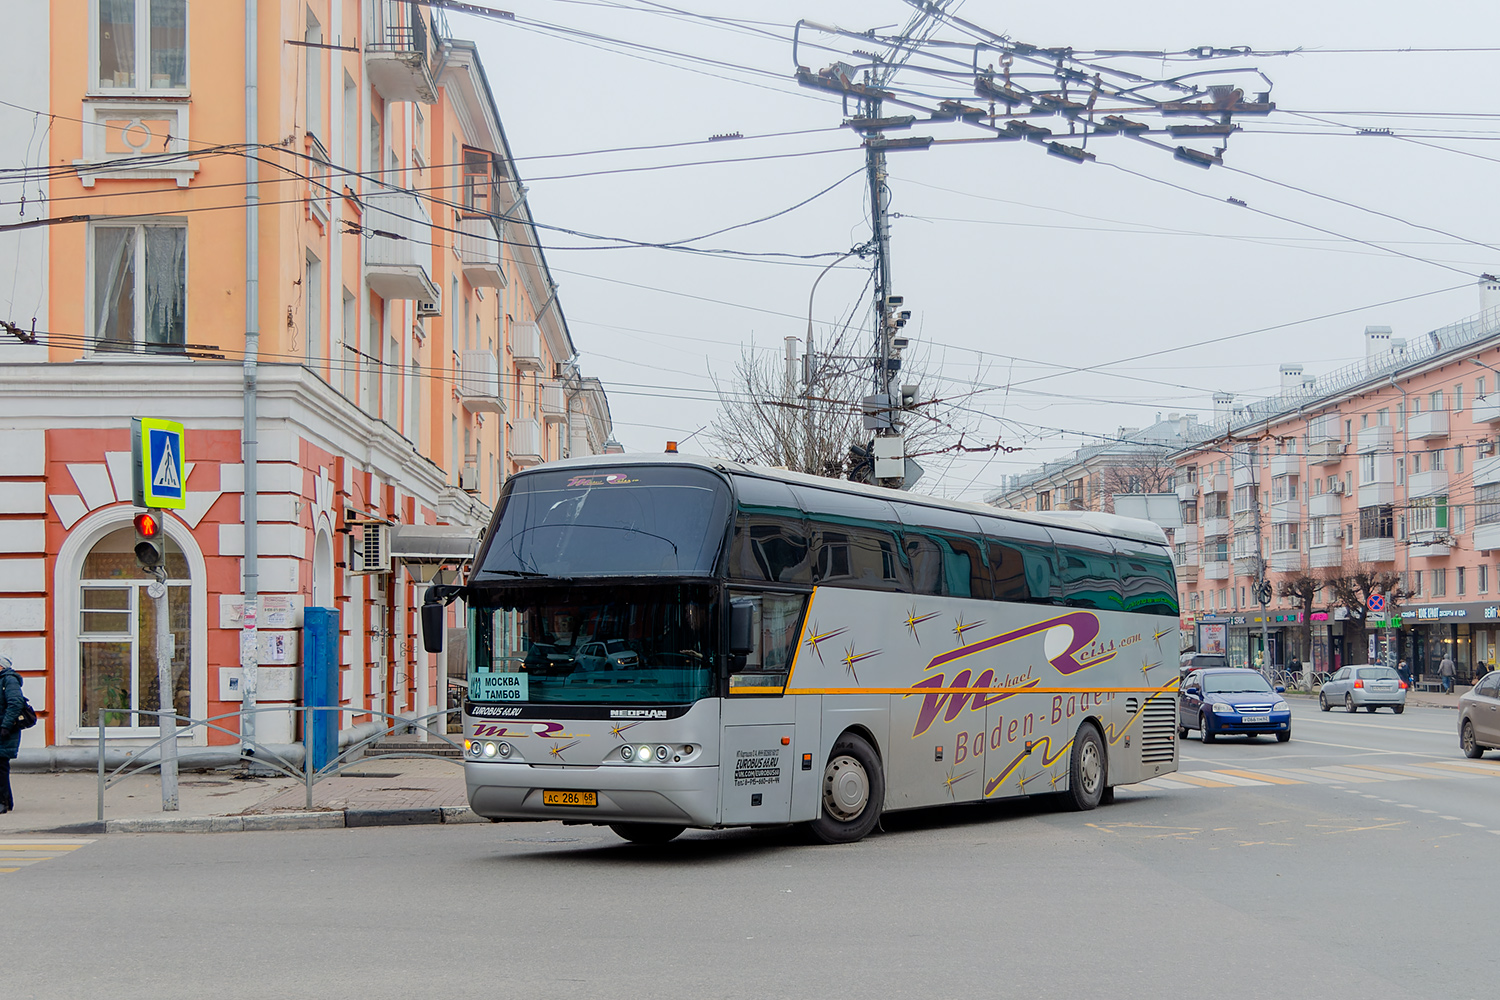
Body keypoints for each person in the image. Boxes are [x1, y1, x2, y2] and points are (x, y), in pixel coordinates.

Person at [0, 653, 23, 815]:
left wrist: (5, 726)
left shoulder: (9, 680)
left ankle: (2, 802)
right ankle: (7, 801)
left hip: (4, 731)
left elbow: (16, 703)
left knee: (1, 767)